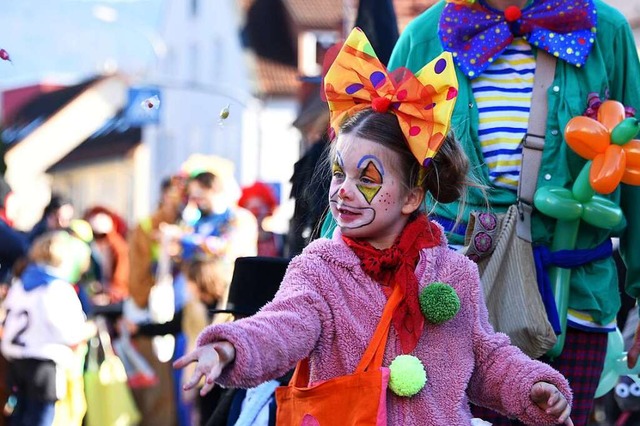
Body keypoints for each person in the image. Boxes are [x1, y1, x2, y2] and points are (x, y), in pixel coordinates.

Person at [174, 29, 573, 426]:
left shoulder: (455, 274)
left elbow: (485, 357)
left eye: (367, 178)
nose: (344, 192)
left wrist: (532, 386)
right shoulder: (321, 269)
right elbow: (282, 325)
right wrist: (229, 346)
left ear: (411, 197)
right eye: (338, 174)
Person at [388, 0, 640, 424]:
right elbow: (373, 164)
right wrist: (337, 281)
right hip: (449, 299)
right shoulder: (425, 35)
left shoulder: (607, 30)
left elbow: (635, 165)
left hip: (573, 296)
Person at [1, 231, 96, 426]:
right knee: (40, 418)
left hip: (17, 361)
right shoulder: (58, 288)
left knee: (19, 416)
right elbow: (69, 333)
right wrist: (89, 329)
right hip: (44, 366)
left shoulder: (20, 284)